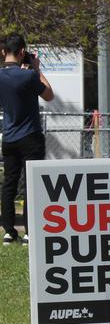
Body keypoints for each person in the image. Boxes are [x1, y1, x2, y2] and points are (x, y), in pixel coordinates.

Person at [0, 34, 54, 245]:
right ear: (22, 52)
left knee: (9, 184)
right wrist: (37, 70)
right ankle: (30, 232)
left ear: (3, 52)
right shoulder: (29, 76)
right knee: (31, 185)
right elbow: (49, 95)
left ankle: (8, 230)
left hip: (9, 137)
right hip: (30, 137)